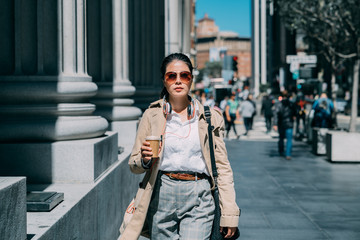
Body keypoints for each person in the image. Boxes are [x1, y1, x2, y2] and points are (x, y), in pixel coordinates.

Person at [120, 53, 240, 239]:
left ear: (191, 79)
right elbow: (133, 165)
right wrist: (144, 160)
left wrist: (229, 214)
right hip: (161, 194)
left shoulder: (210, 117)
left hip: (199, 194)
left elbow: (223, 167)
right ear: (164, 80)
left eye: (184, 75)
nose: (178, 81)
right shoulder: (151, 115)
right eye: (171, 76)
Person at [273, 90, 296, 160]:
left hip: (281, 123)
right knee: (289, 139)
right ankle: (288, 154)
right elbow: (295, 113)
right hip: (289, 123)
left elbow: (276, 114)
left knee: (281, 138)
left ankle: (281, 151)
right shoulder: (291, 104)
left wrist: (275, 124)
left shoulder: (278, 104)